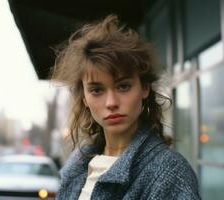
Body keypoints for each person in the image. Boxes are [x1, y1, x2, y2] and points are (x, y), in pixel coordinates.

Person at [51, 14, 200, 200]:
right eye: (97, 90)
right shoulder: (77, 166)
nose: (111, 102)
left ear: (144, 88)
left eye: (123, 86)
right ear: (84, 99)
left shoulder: (170, 174)